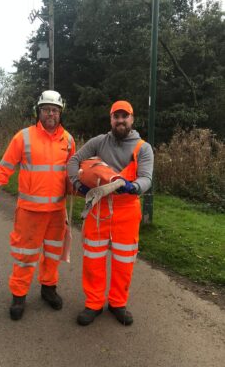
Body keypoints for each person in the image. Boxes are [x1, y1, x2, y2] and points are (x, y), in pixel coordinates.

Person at [0, 90, 75, 321]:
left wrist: (81, 185)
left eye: (55, 110)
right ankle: (19, 295)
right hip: (30, 212)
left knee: (52, 254)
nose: (50, 114)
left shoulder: (68, 140)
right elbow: (4, 169)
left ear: (60, 113)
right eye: (46, 109)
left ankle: (48, 289)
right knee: (25, 256)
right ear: (38, 112)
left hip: (57, 212)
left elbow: (71, 173)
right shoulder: (23, 137)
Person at [67, 100, 153, 326]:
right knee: (93, 259)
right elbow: (74, 159)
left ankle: (118, 303)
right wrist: (77, 183)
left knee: (124, 261)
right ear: (111, 119)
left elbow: (147, 178)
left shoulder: (142, 148)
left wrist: (134, 187)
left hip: (127, 211)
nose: (120, 120)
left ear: (132, 119)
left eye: (125, 116)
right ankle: (93, 303)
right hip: (99, 210)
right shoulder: (98, 142)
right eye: (117, 116)